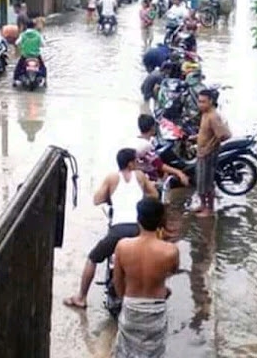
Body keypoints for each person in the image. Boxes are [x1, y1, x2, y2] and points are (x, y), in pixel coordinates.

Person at [63, 148, 158, 310]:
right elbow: (154, 195)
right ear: (130, 163)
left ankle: (81, 297)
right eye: (136, 160)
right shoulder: (140, 177)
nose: (138, 163)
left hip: (118, 230)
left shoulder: (112, 178)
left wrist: (112, 197)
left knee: (93, 258)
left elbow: (96, 199)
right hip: (138, 228)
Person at [113, 198, 179, 358]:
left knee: (126, 352)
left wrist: (125, 298)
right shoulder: (171, 251)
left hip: (131, 308)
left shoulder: (123, 246)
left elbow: (118, 282)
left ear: (138, 219)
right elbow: (171, 271)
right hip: (155, 311)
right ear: (161, 220)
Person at [195, 89, 231, 217]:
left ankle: (209, 209)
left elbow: (224, 135)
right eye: (199, 101)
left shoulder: (213, 116)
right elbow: (206, 132)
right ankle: (203, 205)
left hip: (208, 154)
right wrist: (196, 138)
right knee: (200, 182)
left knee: (207, 183)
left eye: (203, 102)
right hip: (201, 152)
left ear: (211, 101)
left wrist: (210, 147)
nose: (200, 104)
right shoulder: (204, 114)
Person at [135, 114, 189, 188]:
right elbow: (159, 165)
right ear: (152, 128)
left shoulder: (137, 141)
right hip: (147, 178)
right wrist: (179, 172)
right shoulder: (146, 145)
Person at [14, 19, 46, 84]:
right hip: (36, 56)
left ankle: (15, 80)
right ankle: (45, 80)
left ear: (26, 26)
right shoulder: (38, 35)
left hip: (25, 56)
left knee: (18, 68)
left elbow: (17, 43)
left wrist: (22, 45)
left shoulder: (23, 34)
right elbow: (43, 44)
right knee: (43, 67)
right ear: (34, 26)